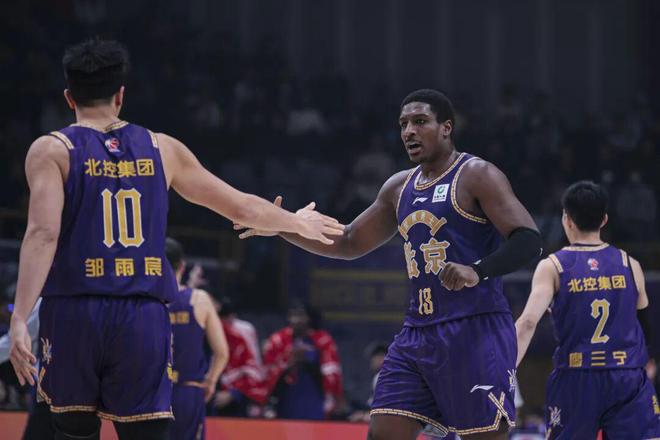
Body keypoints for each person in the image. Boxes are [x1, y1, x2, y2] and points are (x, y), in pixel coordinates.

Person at [8, 38, 344, 440]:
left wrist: (19, 317)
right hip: (141, 314)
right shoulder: (161, 148)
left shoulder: (51, 150)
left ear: (69, 97)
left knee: (72, 432)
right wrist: (295, 221)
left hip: (73, 312)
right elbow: (240, 207)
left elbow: (42, 234)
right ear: (120, 95)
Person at [236, 89, 543, 439]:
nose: (409, 131)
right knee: (383, 431)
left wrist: (477, 270)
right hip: (418, 333)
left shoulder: (477, 174)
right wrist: (281, 225)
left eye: (420, 121)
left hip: (475, 327)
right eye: (403, 124)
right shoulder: (399, 187)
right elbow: (349, 241)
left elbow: (528, 240)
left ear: (446, 127)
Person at [515, 181, 660, 439]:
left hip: (577, 376)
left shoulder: (553, 266)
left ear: (567, 219)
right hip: (626, 374)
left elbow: (527, 323)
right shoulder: (630, 264)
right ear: (604, 219)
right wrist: (649, 361)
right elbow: (643, 321)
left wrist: (505, 368)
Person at [165, 238, 229, 440]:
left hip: (152, 392)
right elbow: (222, 352)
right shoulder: (199, 299)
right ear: (182, 266)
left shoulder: (144, 299)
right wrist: (211, 381)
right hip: (188, 390)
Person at [262, 302, 343, 420]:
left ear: (309, 318)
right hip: (287, 400)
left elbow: (331, 372)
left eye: (301, 315)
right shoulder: (278, 340)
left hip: (314, 398)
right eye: (293, 315)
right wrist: (289, 363)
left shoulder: (323, 340)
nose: (297, 320)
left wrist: (308, 359)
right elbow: (269, 373)